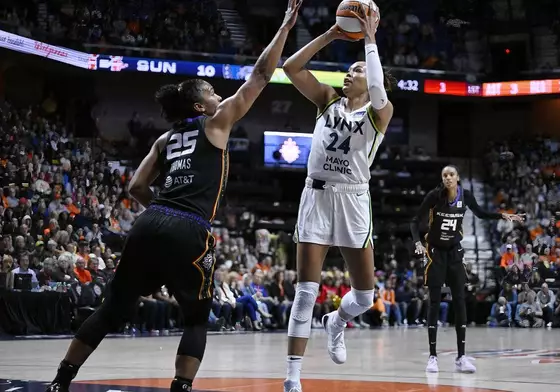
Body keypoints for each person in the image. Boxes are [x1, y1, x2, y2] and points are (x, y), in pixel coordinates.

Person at [45, 2, 302, 391]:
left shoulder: (164, 140)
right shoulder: (216, 122)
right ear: (201, 106)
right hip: (190, 227)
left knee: (112, 308)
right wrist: (284, 26)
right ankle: (180, 387)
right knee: (196, 318)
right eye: (214, 93)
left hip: (149, 222)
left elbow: (134, 187)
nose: (220, 96)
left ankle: (60, 379)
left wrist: (163, 212)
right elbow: (263, 73)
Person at [281, 3, 396, 392]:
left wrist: (369, 39)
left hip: (353, 200)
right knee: (305, 292)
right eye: (349, 70)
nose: (351, 73)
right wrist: (331, 34)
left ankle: (337, 321)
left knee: (364, 295)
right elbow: (291, 68)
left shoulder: (380, 113)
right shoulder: (327, 100)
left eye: (358, 70)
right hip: (316, 196)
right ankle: (293, 376)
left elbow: (378, 86)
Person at [410, 165, 523, 374]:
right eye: (444, 175)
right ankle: (432, 356)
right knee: (434, 302)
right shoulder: (435, 196)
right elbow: (415, 221)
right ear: (442, 178)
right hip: (435, 253)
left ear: (458, 177)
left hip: (454, 253)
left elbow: (480, 213)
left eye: (451, 174)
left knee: (460, 301)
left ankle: (461, 357)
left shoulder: (466, 195)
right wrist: (418, 243)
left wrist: (502, 216)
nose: (448, 178)